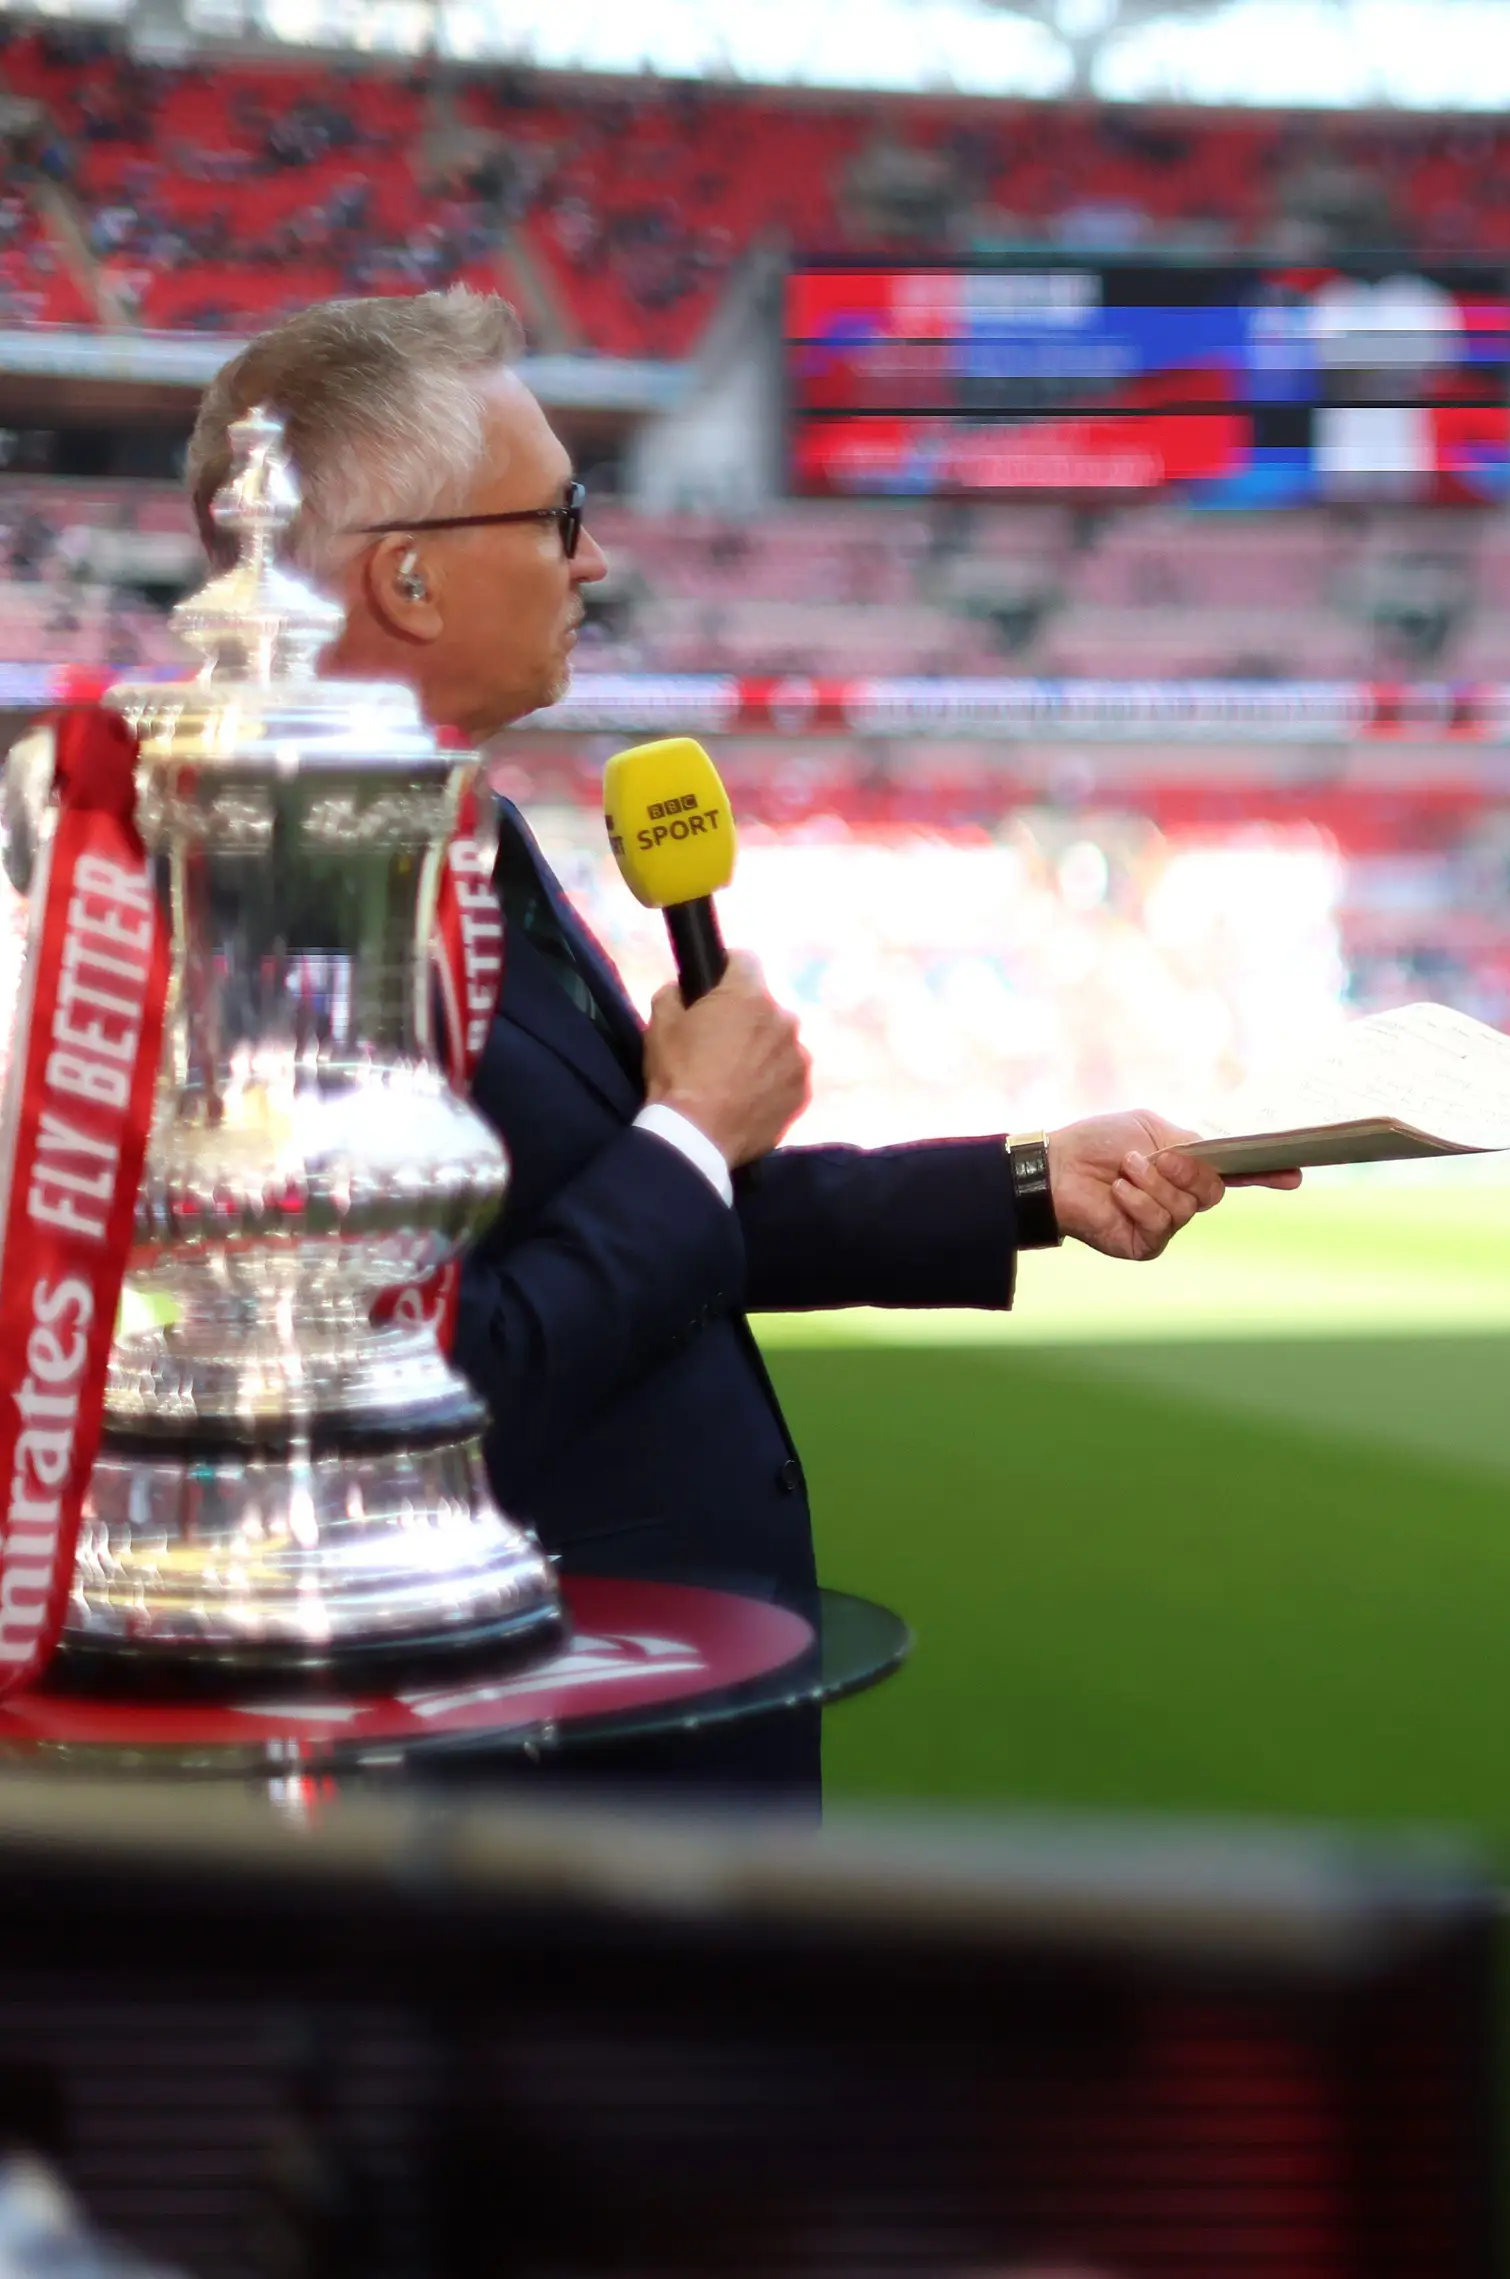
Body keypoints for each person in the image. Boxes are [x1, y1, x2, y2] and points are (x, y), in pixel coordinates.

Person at [183, 290, 1285, 1792]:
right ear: (413, 581)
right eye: (561, 512)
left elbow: (647, 1213)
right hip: (505, 1763)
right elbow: (423, 1390)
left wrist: (1033, 1181)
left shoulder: (465, 831)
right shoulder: (272, 905)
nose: (597, 556)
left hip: (630, 1713)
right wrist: (691, 1129)